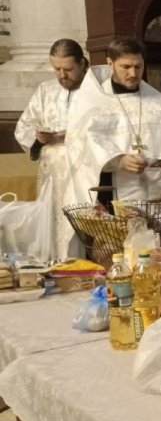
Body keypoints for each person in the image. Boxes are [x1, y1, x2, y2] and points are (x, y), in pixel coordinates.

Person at [62, 36, 161, 263]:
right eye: (126, 67)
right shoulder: (94, 103)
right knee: (118, 260)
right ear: (110, 63)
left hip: (158, 195)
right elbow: (81, 145)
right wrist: (118, 160)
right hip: (114, 191)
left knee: (158, 257)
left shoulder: (159, 103)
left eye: (138, 66)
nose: (133, 73)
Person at [14, 38, 88, 259]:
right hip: (52, 173)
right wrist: (38, 139)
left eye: (68, 69)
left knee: (82, 224)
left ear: (82, 64)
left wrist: (71, 135)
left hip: (83, 169)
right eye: (56, 69)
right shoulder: (45, 90)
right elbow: (24, 126)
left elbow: (106, 129)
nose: (62, 75)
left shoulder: (96, 90)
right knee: (52, 224)